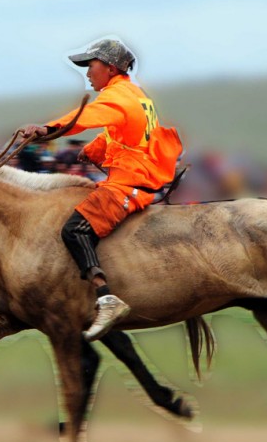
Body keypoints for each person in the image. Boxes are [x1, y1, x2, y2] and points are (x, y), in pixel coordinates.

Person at [21, 38, 182, 340]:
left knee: (74, 230)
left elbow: (85, 119)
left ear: (109, 67)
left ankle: (106, 298)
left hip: (129, 183)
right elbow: (120, 131)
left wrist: (45, 130)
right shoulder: (134, 94)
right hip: (134, 174)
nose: (87, 73)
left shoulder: (117, 96)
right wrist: (93, 150)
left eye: (91, 66)